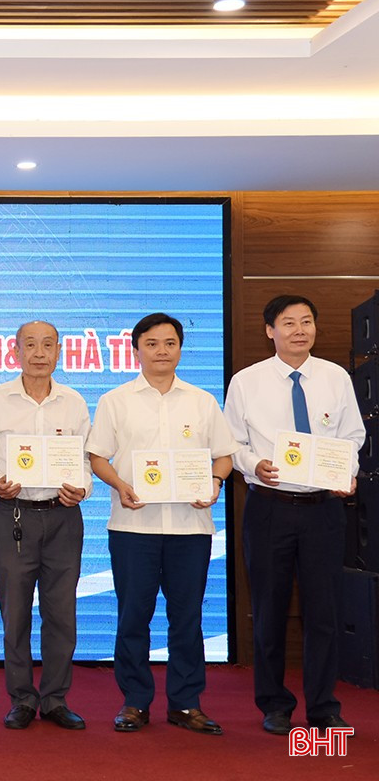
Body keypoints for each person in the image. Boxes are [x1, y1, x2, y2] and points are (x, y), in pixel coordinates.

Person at [87, 312, 237, 736]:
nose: (161, 351)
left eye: (170, 343)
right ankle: (135, 701)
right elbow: (97, 456)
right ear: (136, 349)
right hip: (133, 527)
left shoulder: (202, 401)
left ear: (180, 349)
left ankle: (186, 703)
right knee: (133, 617)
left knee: (187, 618)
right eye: (151, 344)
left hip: (191, 527)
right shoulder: (116, 400)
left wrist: (214, 482)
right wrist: (120, 484)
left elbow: (224, 455)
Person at [223, 295, 364, 736]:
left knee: (325, 612)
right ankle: (274, 704)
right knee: (269, 609)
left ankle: (323, 706)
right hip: (270, 508)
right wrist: (253, 465)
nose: (299, 330)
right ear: (270, 331)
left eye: (306, 322)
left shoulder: (335, 377)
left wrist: (346, 473)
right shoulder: (246, 381)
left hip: (324, 509)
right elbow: (231, 443)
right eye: (288, 323)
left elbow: (353, 435)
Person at [0, 320, 90, 731]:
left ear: (59, 351)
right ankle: (22, 698)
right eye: (30, 345)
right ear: (16, 351)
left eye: (47, 345)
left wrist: (83, 487)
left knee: (62, 614)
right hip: (14, 516)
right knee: (16, 614)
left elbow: (84, 458)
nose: (39, 353)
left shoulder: (73, 402)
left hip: (63, 517)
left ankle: (55, 699)